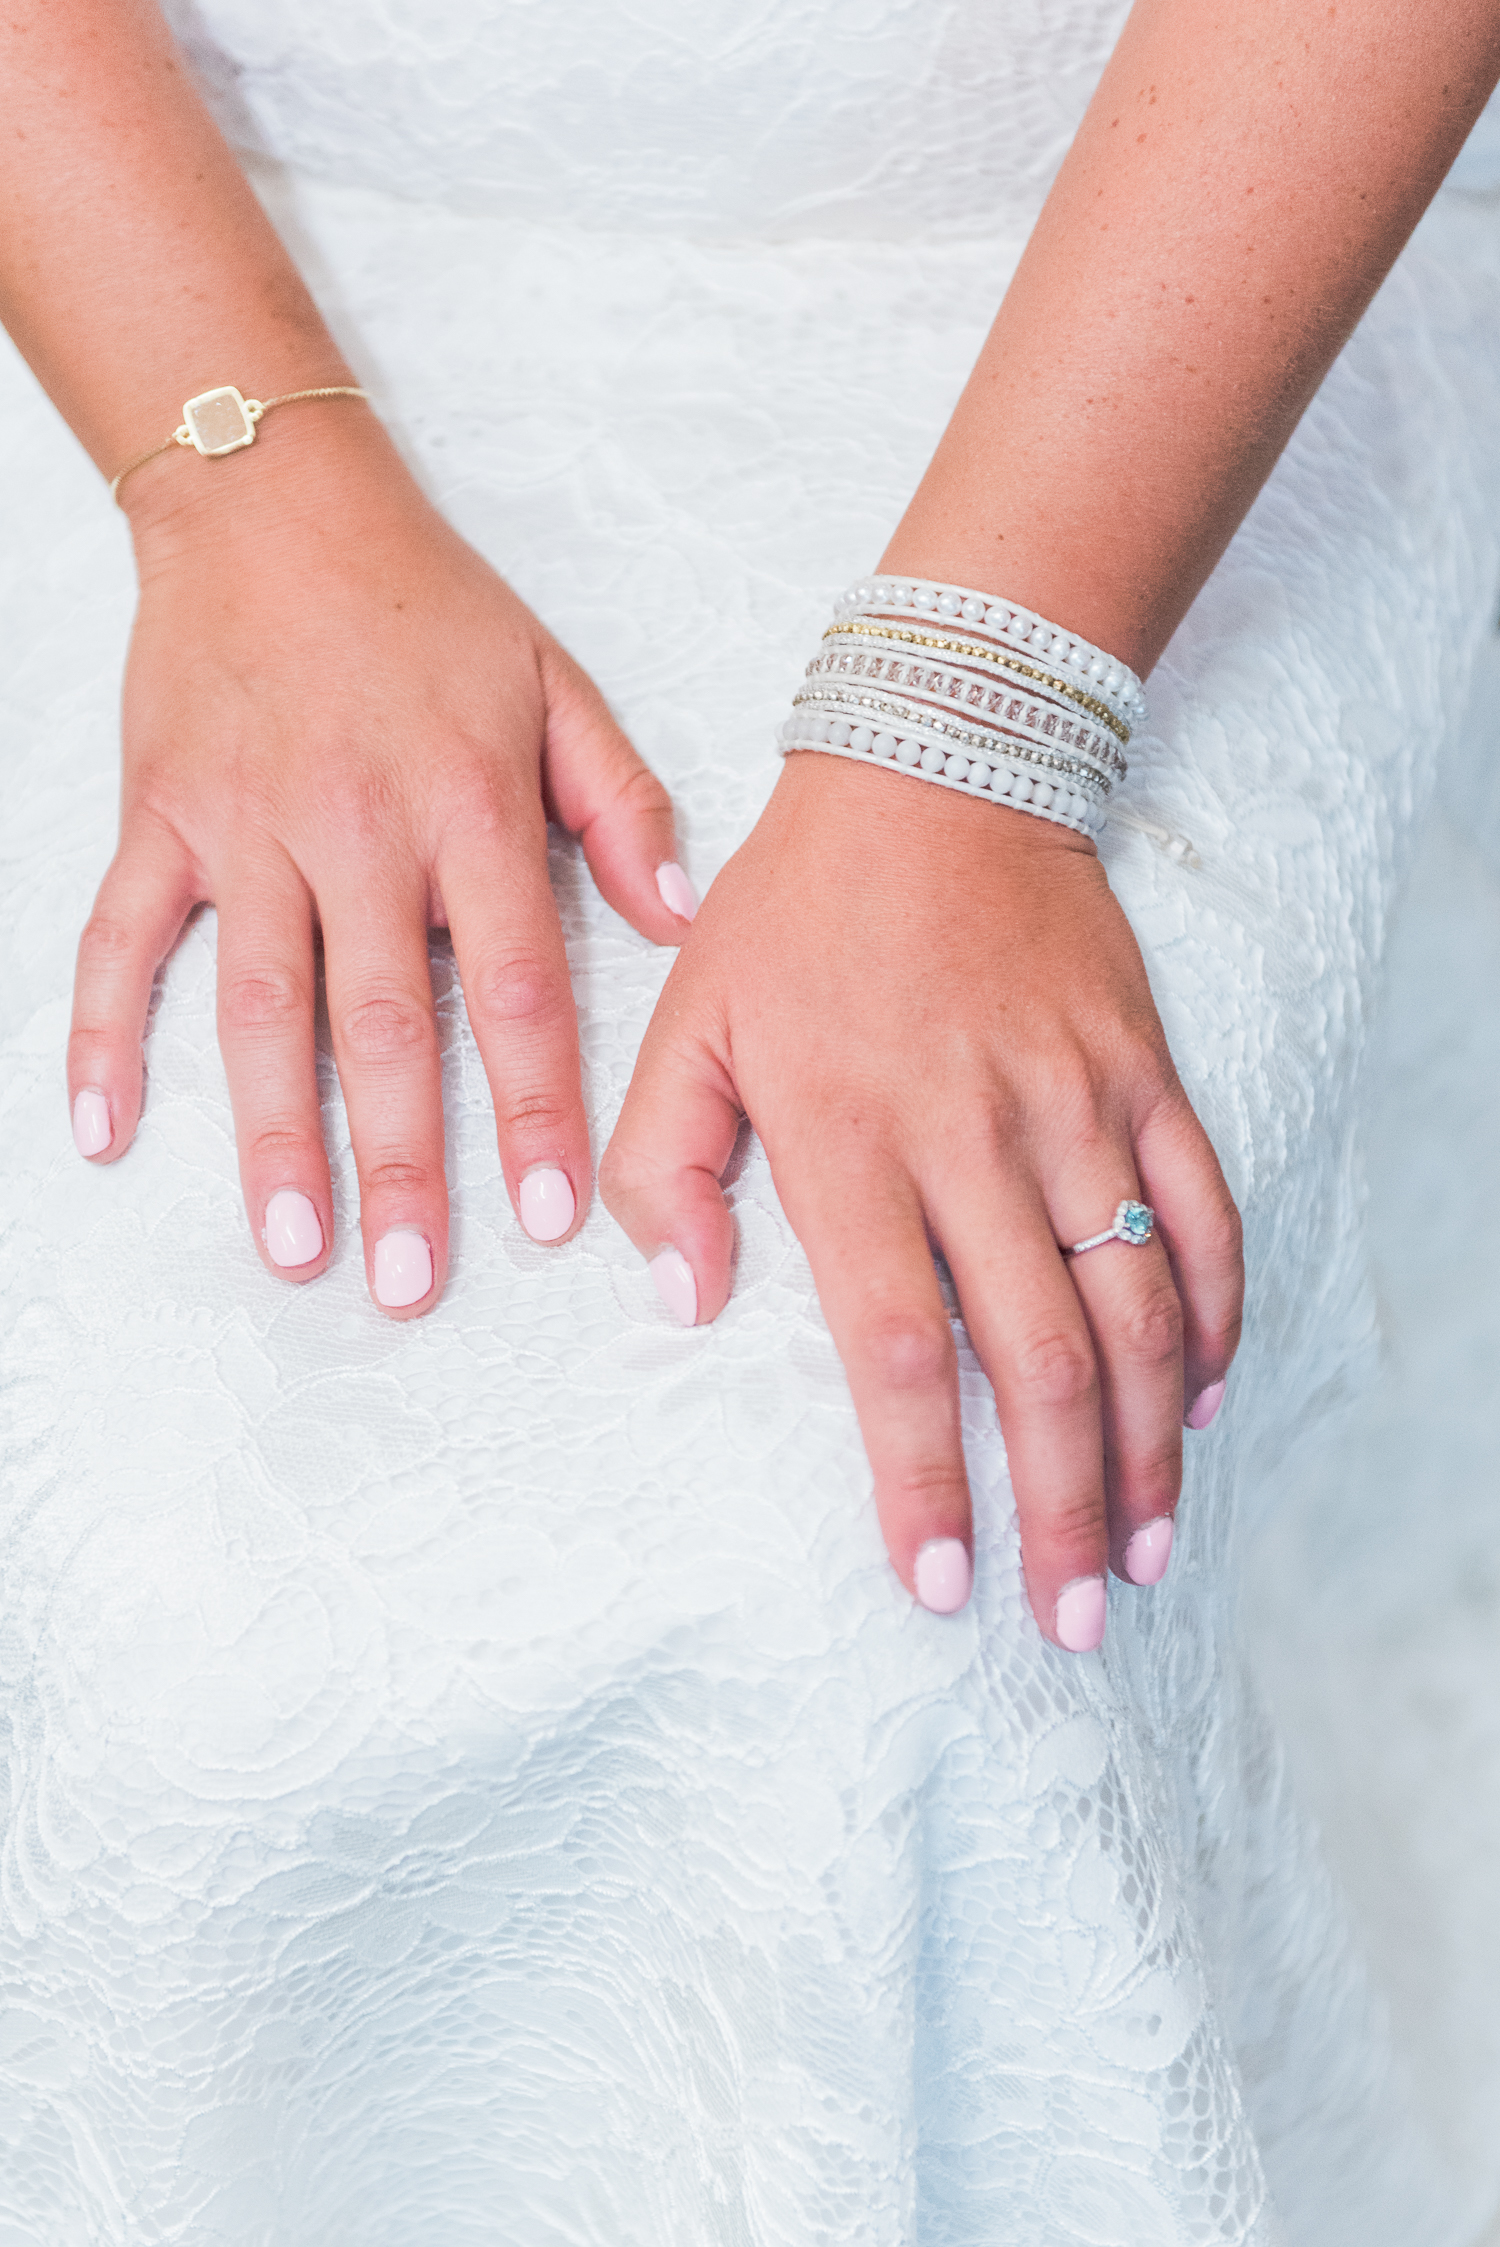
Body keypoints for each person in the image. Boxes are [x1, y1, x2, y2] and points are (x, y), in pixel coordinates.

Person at [2, 0, 1498, 2237]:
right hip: (131, 240)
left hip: (1129, 268)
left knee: (897, 1563)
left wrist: (977, 726)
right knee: (165, 1602)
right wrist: (236, 471)